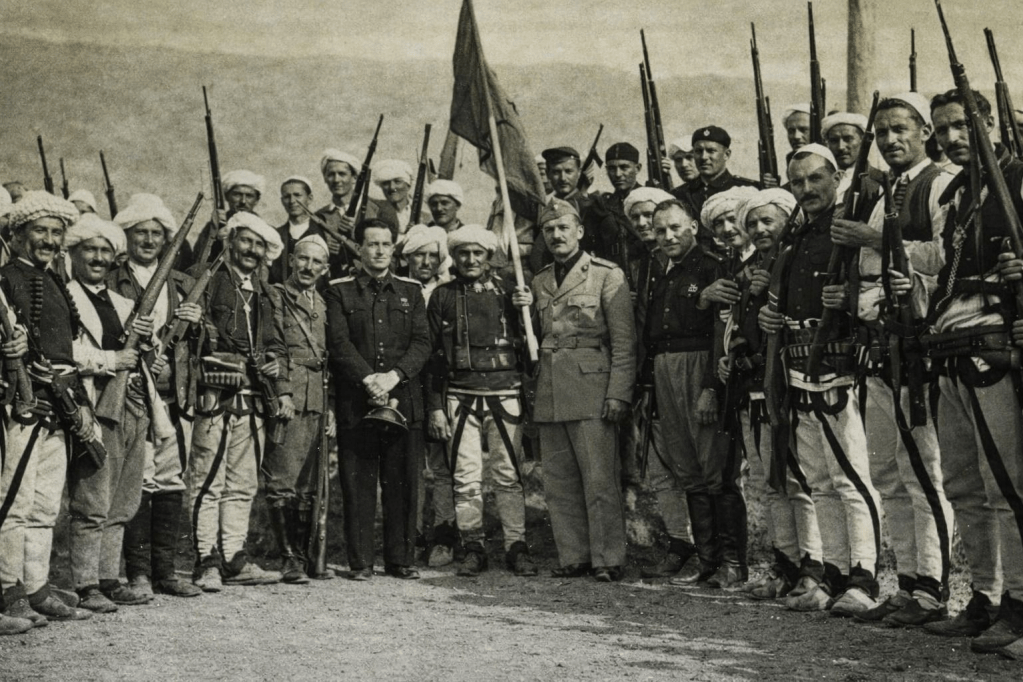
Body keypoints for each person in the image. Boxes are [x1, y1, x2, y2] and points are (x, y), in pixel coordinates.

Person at [831, 93, 954, 625]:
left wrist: (877, 237)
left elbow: (944, 253)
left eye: (900, 129)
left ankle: (933, 586)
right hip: (878, 347)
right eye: (882, 133)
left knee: (924, 472)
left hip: (918, 349)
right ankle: (907, 583)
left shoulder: (940, 182)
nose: (890, 141)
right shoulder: (887, 192)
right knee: (887, 473)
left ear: (924, 130)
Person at [758, 146, 882, 615]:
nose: (807, 189)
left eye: (815, 179)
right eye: (797, 182)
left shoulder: (847, 234)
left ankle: (865, 578)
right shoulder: (796, 243)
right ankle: (830, 574)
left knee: (852, 478)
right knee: (820, 481)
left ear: (836, 178)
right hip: (797, 368)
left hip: (840, 368)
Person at [923, 89, 1023, 654]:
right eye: (943, 129)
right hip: (953, 346)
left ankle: (1020, 607)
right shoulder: (957, 193)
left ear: (989, 122)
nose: (952, 138)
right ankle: (985, 598)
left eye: (962, 125)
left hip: (997, 347)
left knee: (1007, 484)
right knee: (964, 484)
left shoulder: (1019, 181)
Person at [721, 189, 823, 600]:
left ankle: (812, 566)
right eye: (752, 223)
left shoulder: (790, 261)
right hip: (753, 387)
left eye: (768, 221)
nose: (759, 229)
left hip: (784, 384)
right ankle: (785, 562)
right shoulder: (751, 268)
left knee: (797, 479)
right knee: (769, 482)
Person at [641, 199, 747, 589]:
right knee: (687, 469)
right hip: (666, 369)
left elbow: (720, 332)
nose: (668, 236)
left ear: (692, 228)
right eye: (660, 230)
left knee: (715, 468)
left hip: (699, 365)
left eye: (675, 228)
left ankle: (733, 563)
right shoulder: (660, 272)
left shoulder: (710, 267)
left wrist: (710, 388)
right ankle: (707, 561)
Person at [0, 191, 94, 624]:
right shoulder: (6, 279)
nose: (49, 240)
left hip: (61, 401)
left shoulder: (55, 280)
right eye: (40, 230)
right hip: (22, 402)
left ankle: (36, 587)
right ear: (17, 235)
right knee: (13, 501)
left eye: (57, 233)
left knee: (43, 504)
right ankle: (8, 590)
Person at [425, 224, 539, 577]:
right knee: (466, 477)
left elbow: (533, 343)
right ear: (454, 257)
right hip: (460, 396)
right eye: (463, 253)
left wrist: (528, 310)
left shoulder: (512, 290)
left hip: (505, 393)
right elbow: (431, 357)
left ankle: (516, 546)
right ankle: (473, 545)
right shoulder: (443, 296)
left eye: (477, 253)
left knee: (508, 475)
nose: (470, 259)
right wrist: (434, 406)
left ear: (489, 256)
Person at [532, 198, 635, 582]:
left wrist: (618, 393)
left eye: (563, 228)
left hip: (593, 387)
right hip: (551, 388)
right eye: (548, 230)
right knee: (559, 483)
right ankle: (573, 556)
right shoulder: (540, 280)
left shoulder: (607, 275)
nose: (556, 235)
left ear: (579, 231)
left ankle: (607, 558)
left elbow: (624, 342)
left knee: (599, 480)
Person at [109, 193, 204, 599]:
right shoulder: (113, 280)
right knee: (137, 483)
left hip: (172, 397)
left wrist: (197, 324)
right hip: (130, 394)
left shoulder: (181, 283)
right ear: (127, 236)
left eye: (156, 234)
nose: (148, 240)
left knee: (169, 480)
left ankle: (165, 570)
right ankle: (138, 574)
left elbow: (205, 341)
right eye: (140, 233)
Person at [325, 218, 430, 581]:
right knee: (358, 480)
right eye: (372, 244)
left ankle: (401, 559)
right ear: (359, 249)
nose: (380, 251)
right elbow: (339, 343)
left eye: (386, 244)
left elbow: (421, 343)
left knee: (401, 482)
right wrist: (368, 378)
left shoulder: (411, 291)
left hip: (403, 399)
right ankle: (361, 561)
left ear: (394, 248)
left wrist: (393, 376)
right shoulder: (340, 291)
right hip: (359, 401)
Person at [188, 210, 287, 591]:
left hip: (255, 397)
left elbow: (274, 341)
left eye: (259, 244)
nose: (251, 249)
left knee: (243, 483)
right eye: (246, 240)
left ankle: (234, 556)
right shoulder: (210, 281)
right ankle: (206, 559)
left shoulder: (264, 291)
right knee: (208, 478)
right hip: (216, 393)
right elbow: (198, 331)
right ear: (230, 241)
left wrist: (277, 365)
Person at [65, 213, 156, 612]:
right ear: (74, 254)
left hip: (131, 403)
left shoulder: (123, 302)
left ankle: (108, 577)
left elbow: (138, 357)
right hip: (93, 404)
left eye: (105, 250)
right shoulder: (65, 296)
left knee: (123, 500)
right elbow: (63, 352)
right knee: (93, 499)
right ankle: (85, 584)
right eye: (90, 249)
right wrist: (110, 359)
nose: (98, 257)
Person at [264, 235, 334, 584]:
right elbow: (274, 346)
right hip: (291, 398)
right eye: (303, 260)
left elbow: (328, 359)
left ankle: (307, 555)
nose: (308, 268)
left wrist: (331, 407)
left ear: (325, 269)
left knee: (310, 483)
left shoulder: (322, 303)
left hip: (318, 400)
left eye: (316, 263)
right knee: (283, 479)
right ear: (291, 260)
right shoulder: (277, 297)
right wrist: (283, 393)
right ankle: (288, 556)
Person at [395, 224, 456, 565]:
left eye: (434, 255)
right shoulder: (396, 290)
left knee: (443, 465)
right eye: (420, 254)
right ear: (407, 258)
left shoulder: (447, 292)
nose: (427, 261)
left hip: (440, 386)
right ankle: (411, 533)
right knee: (409, 465)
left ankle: (445, 534)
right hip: (405, 386)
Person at [182, 170, 266, 271]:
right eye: (237, 194)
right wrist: (214, 235)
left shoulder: (265, 230)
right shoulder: (213, 225)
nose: (243, 201)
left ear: (257, 199)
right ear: (227, 196)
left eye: (249, 196)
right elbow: (197, 261)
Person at [672, 127, 758, 214]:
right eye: (698, 151)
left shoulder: (748, 190)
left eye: (711, 151)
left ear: (726, 155)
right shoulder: (679, 194)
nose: (703, 157)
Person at [821, 112, 884, 211]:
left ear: (862, 141)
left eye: (848, 139)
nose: (841, 147)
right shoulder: (820, 178)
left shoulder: (878, 180)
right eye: (834, 140)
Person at [269, 176, 317, 284]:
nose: (292, 201)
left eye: (297, 195)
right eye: (286, 196)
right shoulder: (275, 235)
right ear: (282, 201)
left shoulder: (322, 233)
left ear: (309, 198)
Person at [374, 160, 423, 233]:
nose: (392, 187)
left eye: (397, 182)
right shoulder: (375, 212)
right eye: (386, 183)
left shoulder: (423, 216)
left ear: (408, 185)